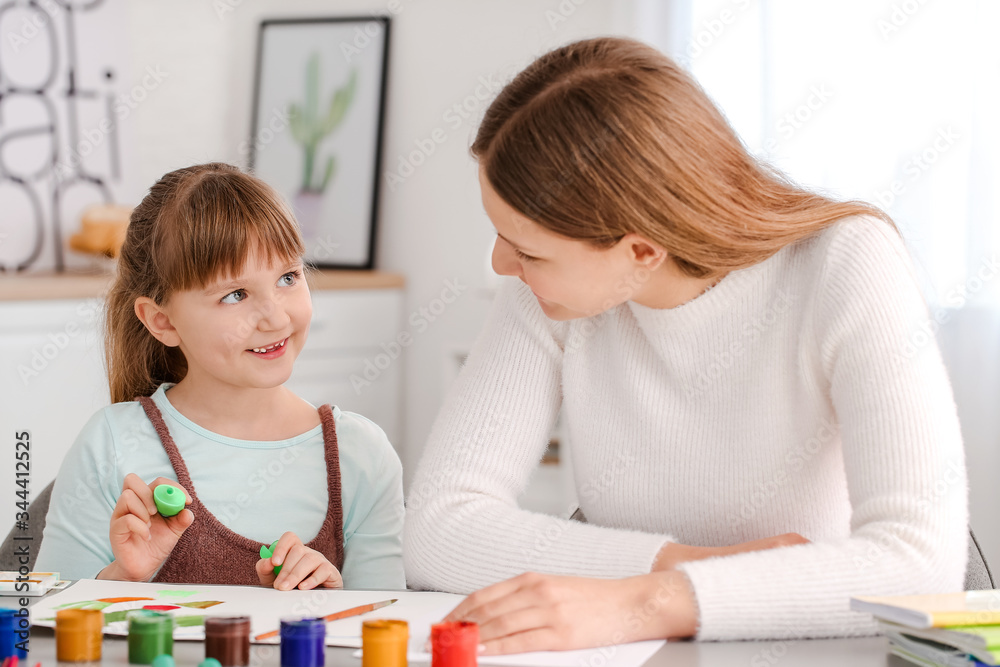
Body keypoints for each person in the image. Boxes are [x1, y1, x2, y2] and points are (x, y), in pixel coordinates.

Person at [403, 37, 968, 652]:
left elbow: (920, 567)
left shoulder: (847, 263)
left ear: (642, 250)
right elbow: (437, 530)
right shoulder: (548, 291)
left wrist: (642, 602)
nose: (500, 264)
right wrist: (686, 565)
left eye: (528, 249)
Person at [36, 163, 405, 590]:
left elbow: (385, 634)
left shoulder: (361, 456)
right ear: (162, 322)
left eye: (288, 276)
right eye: (235, 295)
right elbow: (41, 631)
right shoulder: (111, 444)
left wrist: (331, 603)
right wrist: (123, 578)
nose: (275, 316)